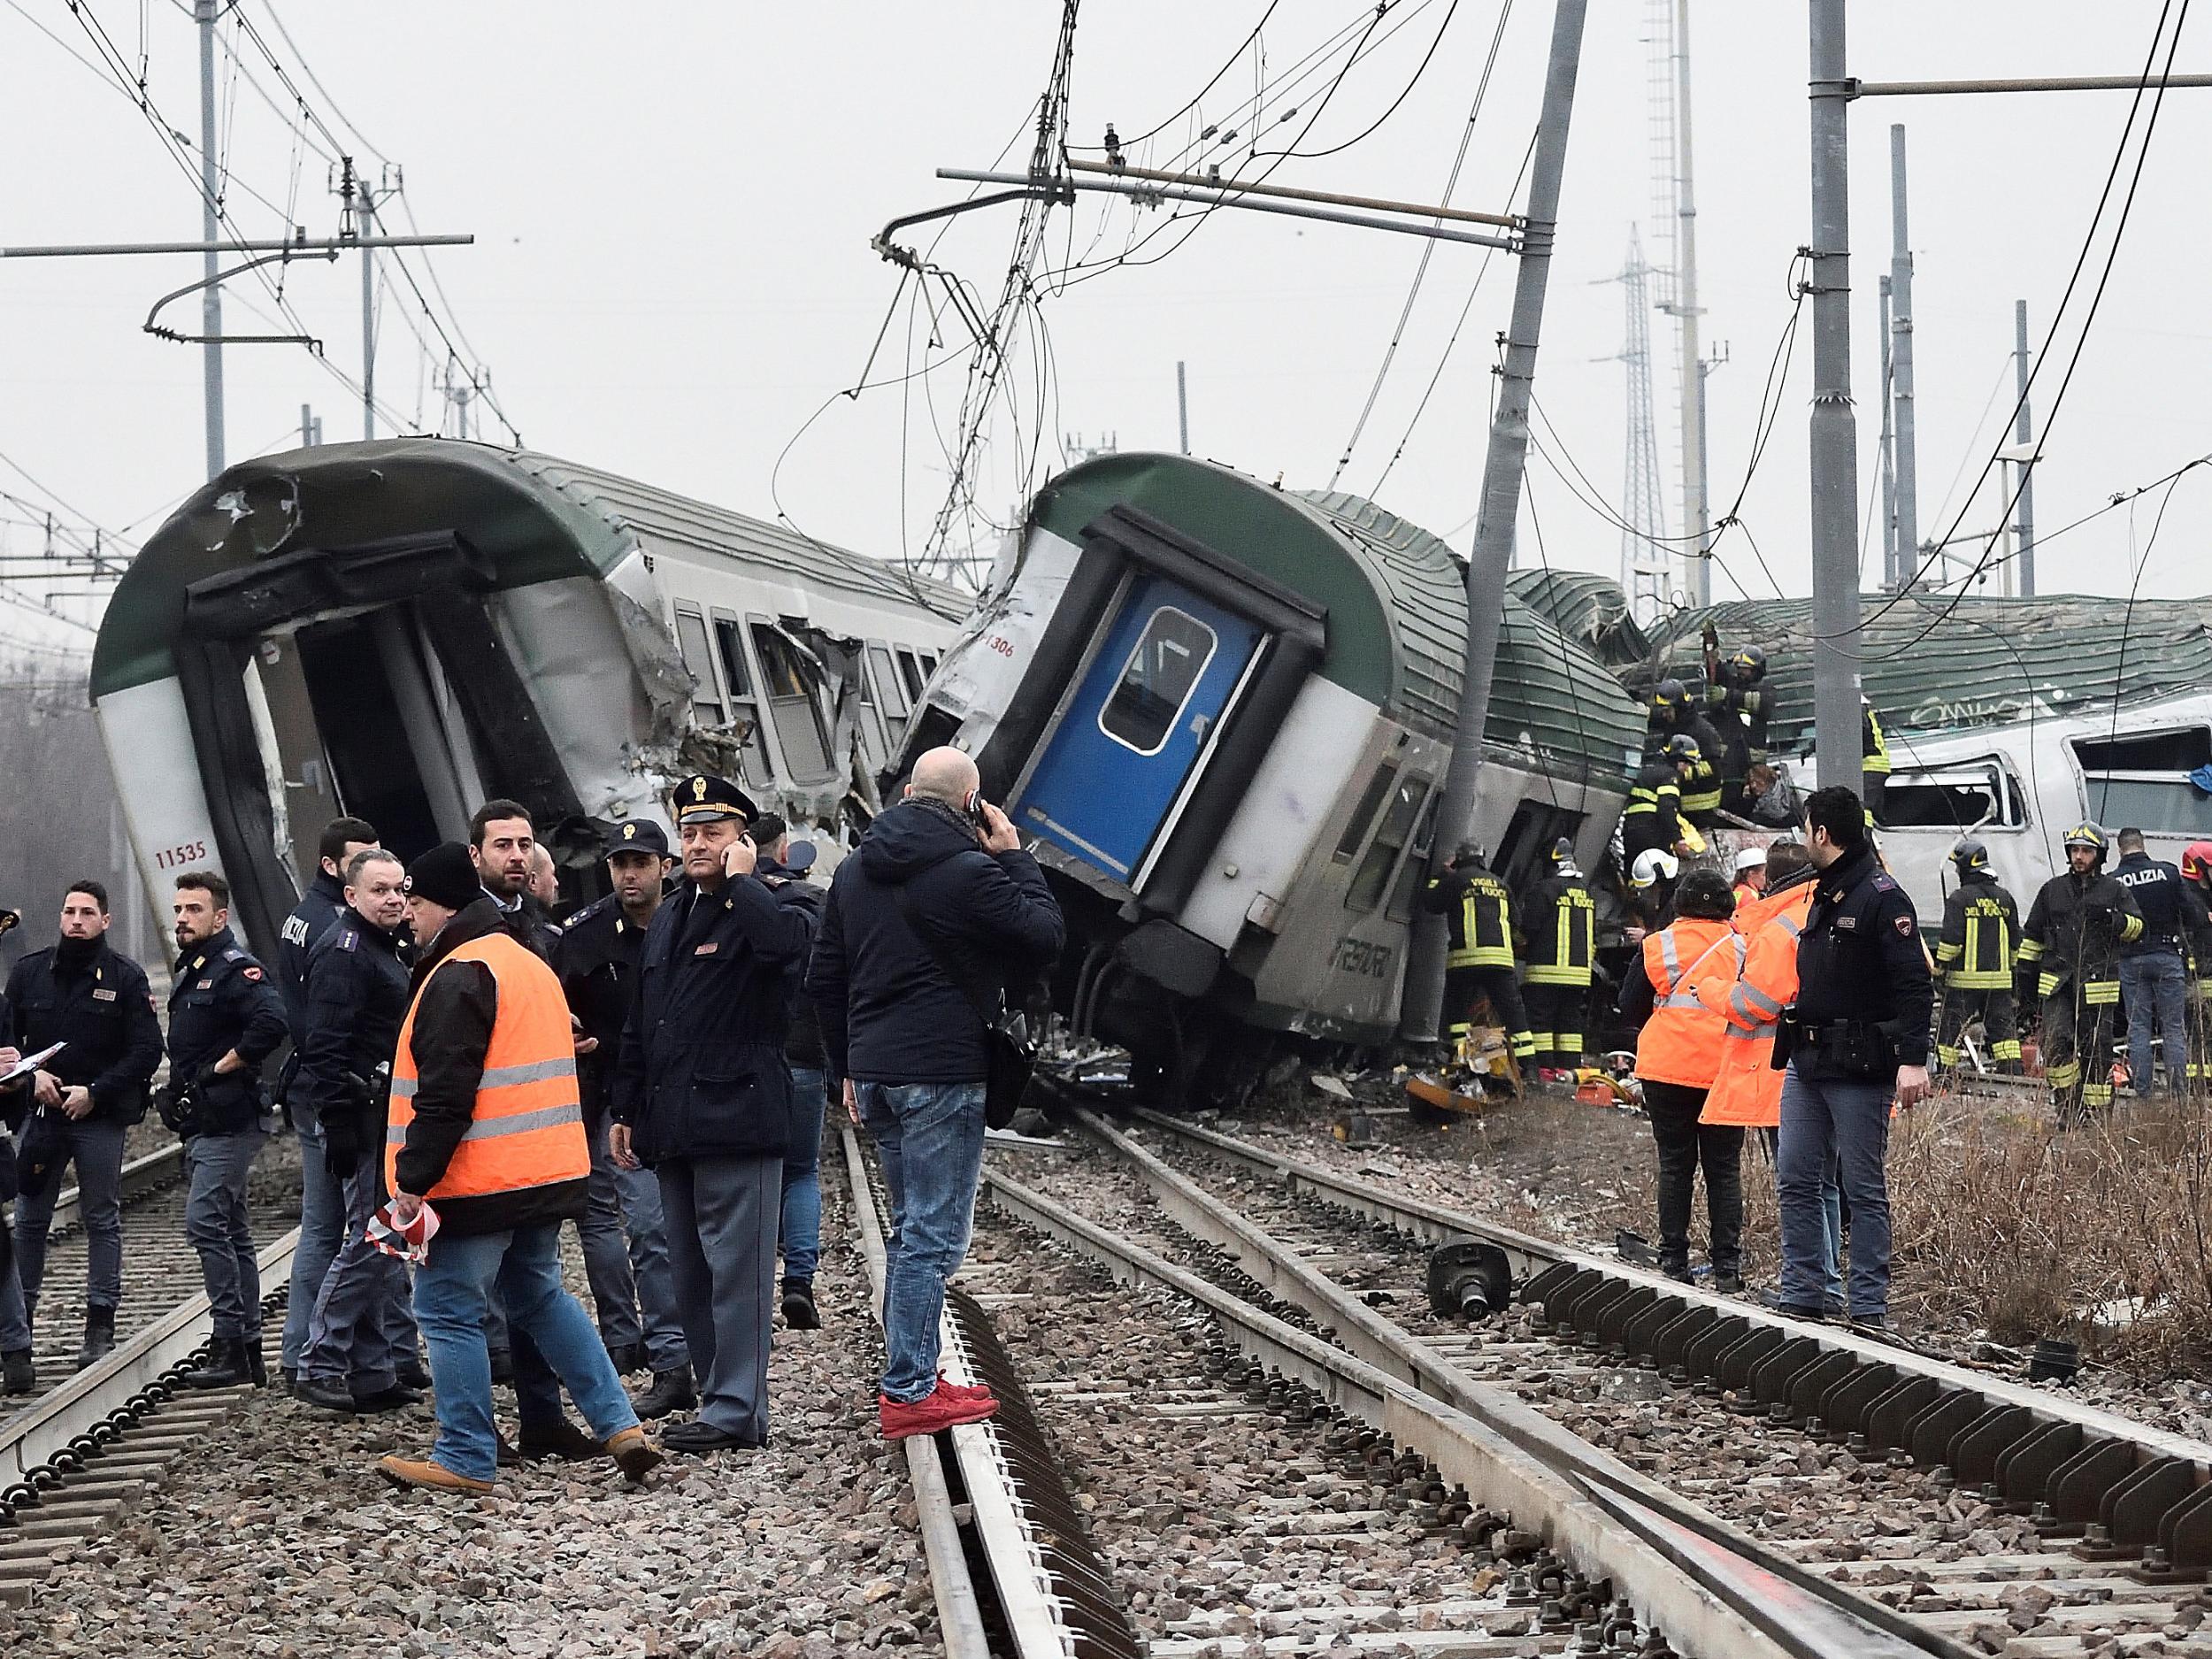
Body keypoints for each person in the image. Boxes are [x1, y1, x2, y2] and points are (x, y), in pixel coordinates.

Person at [379, 841, 659, 1494]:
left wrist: (411, 1181)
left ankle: (465, 1455)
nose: (408, 918)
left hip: (478, 1179)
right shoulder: (525, 961)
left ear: (442, 906)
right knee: (539, 1294)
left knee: (447, 1307)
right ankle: (621, 1424)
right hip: (546, 1171)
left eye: (415, 904)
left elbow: (446, 1096)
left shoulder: (460, 971)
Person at [808, 746, 1064, 1440]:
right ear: (970, 803)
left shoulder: (855, 870)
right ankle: (910, 1387)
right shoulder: (974, 871)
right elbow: (1044, 936)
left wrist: (847, 1070)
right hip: (943, 1074)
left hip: (880, 1074)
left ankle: (916, 1369)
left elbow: (824, 977)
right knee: (931, 1234)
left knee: (910, 1228)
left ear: (908, 794)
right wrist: (1014, 854)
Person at [611, 775, 813, 1454]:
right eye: (690, 832)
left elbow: (789, 951)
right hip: (674, 1121)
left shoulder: (771, 900)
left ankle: (737, 1409)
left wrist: (744, 882)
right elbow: (646, 1018)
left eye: (714, 833)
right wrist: (626, 1105)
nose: (699, 843)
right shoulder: (670, 916)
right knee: (689, 1270)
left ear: (742, 842)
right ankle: (713, 1394)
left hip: (738, 1114)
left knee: (738, 1274)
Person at [1771, 787, 1932, 1328]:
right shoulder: (1827, 891)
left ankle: (1866, 1307)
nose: (1803, 840)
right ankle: (1804, 1293)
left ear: (1822, 834)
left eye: (1806, 829)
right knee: (1794, 1175)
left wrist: (1914, 1059)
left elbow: (1915, 985)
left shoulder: (1883, 898)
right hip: (1809, 1060)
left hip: (1861, 1066)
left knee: (1861, 1188)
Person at [555, 819, 695, 1420]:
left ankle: (711, 1350)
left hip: (694, 1092)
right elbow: (555, 1000)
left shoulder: (694, 918)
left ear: (665, 866)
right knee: (647, 1227)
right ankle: (670, 1360)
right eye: (620, 864)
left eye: (641, 862)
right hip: (623, 1096)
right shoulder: (585, 937)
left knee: (700, 1227)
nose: (629, 875)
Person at [4, 880, 162, 1370]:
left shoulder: (126, 977)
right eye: (69, 911)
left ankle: (100, 1323)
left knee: (101, 1218)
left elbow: (145, 1050)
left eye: (87, 913)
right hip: (42, 1113)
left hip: (98, 1115)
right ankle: (18, 1324)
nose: (76, 920)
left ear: (105, 921)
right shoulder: (29, 974)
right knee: (30, 1220)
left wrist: (96, 1092)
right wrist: (34, 1078)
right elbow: (8, 1047)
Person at [290, 850, 423, 1413]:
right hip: (361, 1114)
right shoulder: (345, 954)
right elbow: (324, 1045)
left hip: (381, 1113)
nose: (393, 899)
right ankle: (319, 1361)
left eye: (399, 889)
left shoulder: (379, 946)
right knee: (371, 1237)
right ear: (350, 896)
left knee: (382, 1241)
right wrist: (338, 1121)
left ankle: (372, 1372)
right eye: (380, 891)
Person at [161, 871, 289, 1388]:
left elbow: (272, 1023)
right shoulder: (193, 969)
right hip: (205, 1121)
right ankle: (247, 1349)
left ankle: (227, 1339)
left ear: (219, 917)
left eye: (194, 910)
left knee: (204, 1222)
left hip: (231, 1118)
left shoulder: (237, 970)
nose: (182, 919)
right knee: (231, 1230)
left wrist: (220, 1068)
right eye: (178, 910)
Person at [279, 816, 386, 1388]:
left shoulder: (305, 916)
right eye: (361, 858)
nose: (373, 865)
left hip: (320, 1088)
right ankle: (310, 1355)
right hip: (337, 1093)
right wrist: (337, 1107)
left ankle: (365, 1360)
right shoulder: (338, 932)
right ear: (334, 869)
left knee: (340, 1229)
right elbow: (327, 1030)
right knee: (342, 1231)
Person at [1698, 841, 1831, 1302]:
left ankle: (1808, 1286)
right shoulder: (1839, 907)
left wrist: (1712, 990)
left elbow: (1754, 1004)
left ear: (1769, 880)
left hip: (1781, 1072)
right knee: (1831, 1183)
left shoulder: (1780, 928)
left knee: (1799, 1182)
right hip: (1840, 1067)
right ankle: (1829, 1284)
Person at [1619, 867, 1745, 1289]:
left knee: (1676, 1165)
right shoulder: (1743, 949)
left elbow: (1629, 1004)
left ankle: (1673, 1259)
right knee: (1723, 1168)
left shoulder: (1659, 945)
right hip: (1724, 1070)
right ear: (1727, 906)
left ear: (1681, 904)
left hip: (1666, 1068)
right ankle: (1727, 1268)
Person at [752, 813, 829, 1331]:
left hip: (752, 1061)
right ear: (784, 853)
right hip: (805, 1056)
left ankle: (750, 1284)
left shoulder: (730, 902)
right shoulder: (814, 905)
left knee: (753, 1174)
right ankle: (798, 1280)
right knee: (802, 1171)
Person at [2019, 824, 2143, 1121]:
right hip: (2058, 985)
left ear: (2099, 855)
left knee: (2096, 1052)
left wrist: (2113, 919)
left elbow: (2138, 929)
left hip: (2097, 986)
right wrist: (2024, 982)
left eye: (2086, 851)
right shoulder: (2052, 890)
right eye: (2075, 850)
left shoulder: (2115, 890)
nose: (2079, 856)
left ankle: (2098, 1116)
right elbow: (2032, 937)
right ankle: (2067, 1108)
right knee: (2057, 1044)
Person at [2111, 827, 2207, 1098]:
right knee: (2173, 1028)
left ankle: (2144, 1095)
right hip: (2167, 955)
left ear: (2120, 849)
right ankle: (2179, 1096)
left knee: (2138, 1028)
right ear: (2143, 845)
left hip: (2132, 960)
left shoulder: (2115, 880)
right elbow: (2192, 914)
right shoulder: (2168, 872)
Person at [1420, 844, 1535, 1067]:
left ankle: (1463, 1060)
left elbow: (1431, 903)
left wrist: (1440, 874)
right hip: (1500, 963)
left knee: (1457, 1015)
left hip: (1465, 961)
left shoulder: (1456, 880)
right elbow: (1518, 928)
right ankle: (1529, 1068)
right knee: (1514, 1016)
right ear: (1483, 859)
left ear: (1459, 861)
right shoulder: (1501, 884)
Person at [1932, 839, 2023, 1075]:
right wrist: (2012, 974)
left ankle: (1946, 1080)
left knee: (1949, 1035)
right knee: (2005, 1038)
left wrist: (1939, 972)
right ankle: (2014, 1080)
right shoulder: (2005, 898)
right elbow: (2016, 943)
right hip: (2000, 985)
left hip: (1963, 985)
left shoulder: (1959, 899)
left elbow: (1950, 943)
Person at [1517, 838, 1594, 1083]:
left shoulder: (1544, 889)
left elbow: (1529, 927)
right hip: (1579, 973)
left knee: (1540, 1021)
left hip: (1546, 970)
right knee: (1570, 1022)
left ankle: (1544, 1069)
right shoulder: (1584, 891)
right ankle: (1569, 1069)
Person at [1648, 681, 1727, 827]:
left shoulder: (1703, 732)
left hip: (1700, 809)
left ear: (1678, 708)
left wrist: (1675, 771)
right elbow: (1653, 718)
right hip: (1680, 805)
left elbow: (1713, 768)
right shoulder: (1673, 723)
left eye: (1667, 710)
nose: (1664, 715)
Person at [1624, 740, 1701, 871]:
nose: (1687, 768)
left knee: (1636, 873)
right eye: (1686, 763)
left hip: (1631, 831)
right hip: (1651, 832)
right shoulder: (1670, 776)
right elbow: (1667, 809)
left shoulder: (1649, 771)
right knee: (1665, 875)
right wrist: (1677, 840)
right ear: (1677, 759)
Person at [1628, 848, 1680, 935]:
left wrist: (1645, 937)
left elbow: (1677, 940)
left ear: (1660, 881)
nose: (1646, 893)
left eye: (1648, 888)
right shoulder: (1670, 895)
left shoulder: (1680, 906)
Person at [1861, 697, 1892, 819]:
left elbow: (1860, 732)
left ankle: (1865, 836)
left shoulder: (1859, 712)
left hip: (1872, 766)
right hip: (1877, 765)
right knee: (1875, 813)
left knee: (1863, 807)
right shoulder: (1867, 714)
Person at [1732, 847, 1769, 913]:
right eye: (1763, 874)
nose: (1765, 879)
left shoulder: (1738, 891)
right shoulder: (1750, 896)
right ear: (1751, 873)